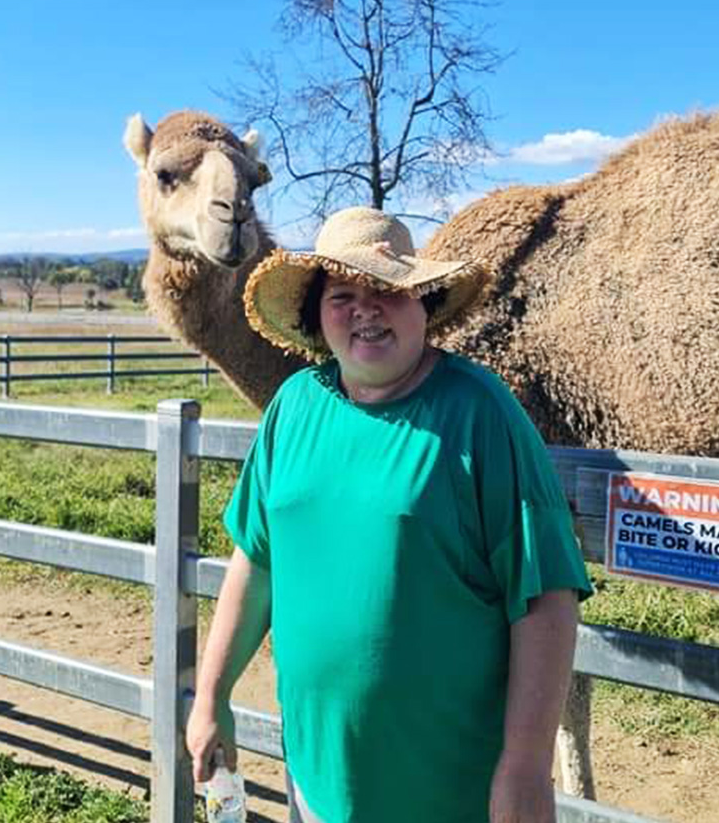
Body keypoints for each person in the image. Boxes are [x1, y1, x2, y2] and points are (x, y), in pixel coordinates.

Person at [185, 206, 593, 823]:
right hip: (317, 783)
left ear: (423, 305)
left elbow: (545, 596)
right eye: (343, 294)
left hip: (448, 793)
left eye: (387, 291)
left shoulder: (478, 413)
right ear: (316, 315)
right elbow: (256, 563)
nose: (365, 309)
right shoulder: (293, 409)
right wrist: (212, 695)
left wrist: (525, 765)